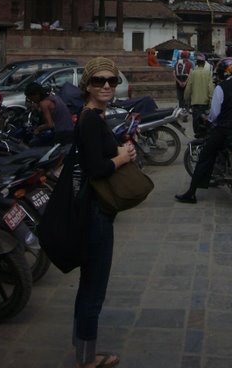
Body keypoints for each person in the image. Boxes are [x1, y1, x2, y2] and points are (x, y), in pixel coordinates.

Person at [73, 57, 136, 368]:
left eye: (112, 80)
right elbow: (97, 169)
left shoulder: (95, 116)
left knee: (89, 284)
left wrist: (121, 149)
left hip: (96, 211)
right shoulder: (90, 119)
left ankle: (82, 349)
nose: (107, 85)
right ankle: (87, 359)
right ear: (87, 85)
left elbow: (98, 154)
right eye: (99, 81)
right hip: (95, 212)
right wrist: (122, 158)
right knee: (94, 288)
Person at [175, 58, 232, 204]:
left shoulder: (221, 88)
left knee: (205, 156)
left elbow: (215, 113)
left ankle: (191, 193)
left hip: (226, 129)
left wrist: (208, 120)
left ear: (222, 73)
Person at [183, 53, 214, 135]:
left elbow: (188, 88)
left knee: (196, 126)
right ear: (204, 63)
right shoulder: (208, 73)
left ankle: (197, 136)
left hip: (195, 105)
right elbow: (211, 89)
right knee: (205, 124)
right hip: (205, 104)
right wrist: (211, 101)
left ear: (197, 63)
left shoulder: (192, 73)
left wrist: (186, 99)